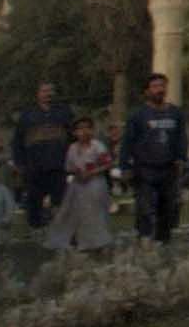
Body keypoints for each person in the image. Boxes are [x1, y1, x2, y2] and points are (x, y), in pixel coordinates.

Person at [119, 72, 186, 244]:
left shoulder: (175, 113)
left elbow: (181, 138)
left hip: (169, 168)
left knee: (169, 208)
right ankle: (144, 241)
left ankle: (164, 242)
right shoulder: (137, 115)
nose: (160, 90)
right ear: (147, 91)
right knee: (145, 209)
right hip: (145, 169)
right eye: (155, 87)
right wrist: (125, 167)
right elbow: (127, 142)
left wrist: (181, 158)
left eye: (162, 86)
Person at [10, 81, 74, 231]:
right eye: (44, 91)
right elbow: (18, 140)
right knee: (34, 200)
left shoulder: (64, 112)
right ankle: (35, 231)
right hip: (34, 166)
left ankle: (60, 231)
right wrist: (19, 163)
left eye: (51, 91)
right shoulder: (28, 115)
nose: (48, 94)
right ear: (38, 94)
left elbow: (72, 137)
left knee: (60, 200)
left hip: (58, 164)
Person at [45, 117, 114, 253]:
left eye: (87, 128)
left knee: (95, 213)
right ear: (75, 132)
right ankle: (77, 239)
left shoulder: (97, 146)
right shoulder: (72, 147)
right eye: (80, 129)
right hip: (78, 185)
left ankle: (98, 241)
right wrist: (76, 171)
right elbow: (68, 167)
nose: (84, 131)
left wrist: (92, 172)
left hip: (95, 184)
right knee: (74, 212)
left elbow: (107, 163)